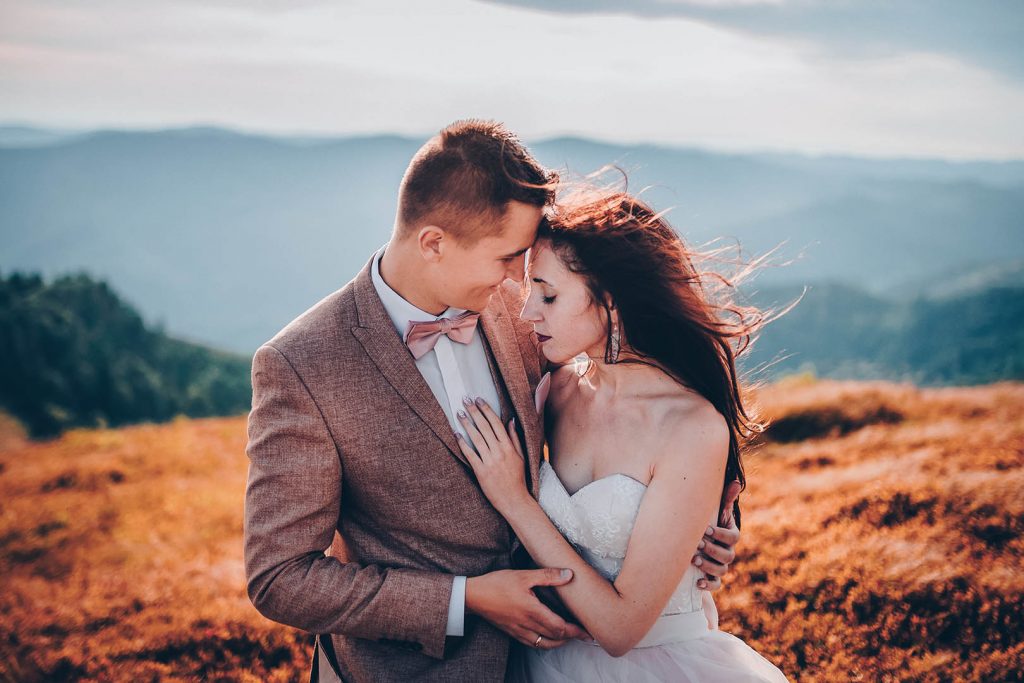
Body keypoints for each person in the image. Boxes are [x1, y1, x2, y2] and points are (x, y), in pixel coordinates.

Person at [243, 120, 740, 682]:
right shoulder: (303, 364)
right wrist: (464, 599)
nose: (519, 282)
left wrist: (698, 532)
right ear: (434, 243)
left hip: (555, 660)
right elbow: (279, 577)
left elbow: (638, 425)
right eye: (508, 258)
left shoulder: (530, 314)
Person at [454, 191, 789, 681]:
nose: (527, 314)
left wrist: (514, 499)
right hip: (544, 659)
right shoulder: (558, 390)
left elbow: (620, 629)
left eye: (548, 295)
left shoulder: (691, 427)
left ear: (610, 301)